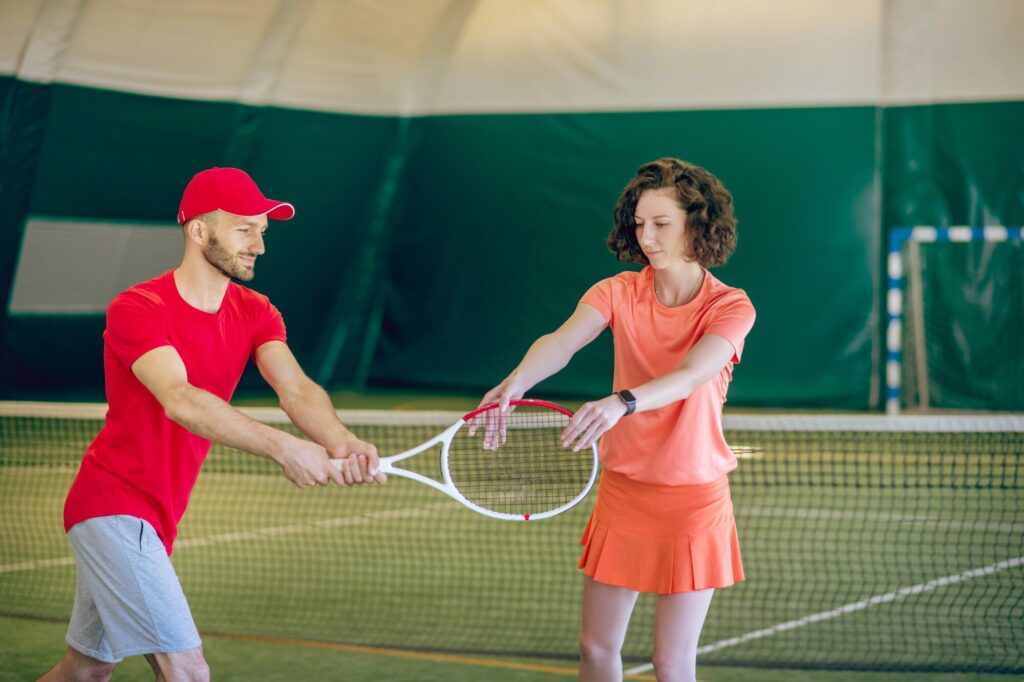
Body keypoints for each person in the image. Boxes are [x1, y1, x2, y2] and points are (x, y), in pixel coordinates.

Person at [39, 167, 386, 682]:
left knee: (85, 671)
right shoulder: (139, 307)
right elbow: (179, 399)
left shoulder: (256, 311)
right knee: (188, 671)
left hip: (159, 520)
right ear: (199, 231)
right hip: (112, 507)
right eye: (244, 229)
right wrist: (284, 449)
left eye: (262, 232)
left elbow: (296, 389)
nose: (259, 246)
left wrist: (342, 441)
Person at [477, 158, 754, 682]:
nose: (646, 237)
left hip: (693, 500)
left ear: (698, 223)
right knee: (596, 649)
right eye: (639, 223)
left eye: (661, 224)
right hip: (624, 493)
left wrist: (621, 402)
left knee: (672, 663)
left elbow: (693, 374)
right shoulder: (618, 291)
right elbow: (561, 342)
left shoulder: (731, 307)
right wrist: (517, 381)